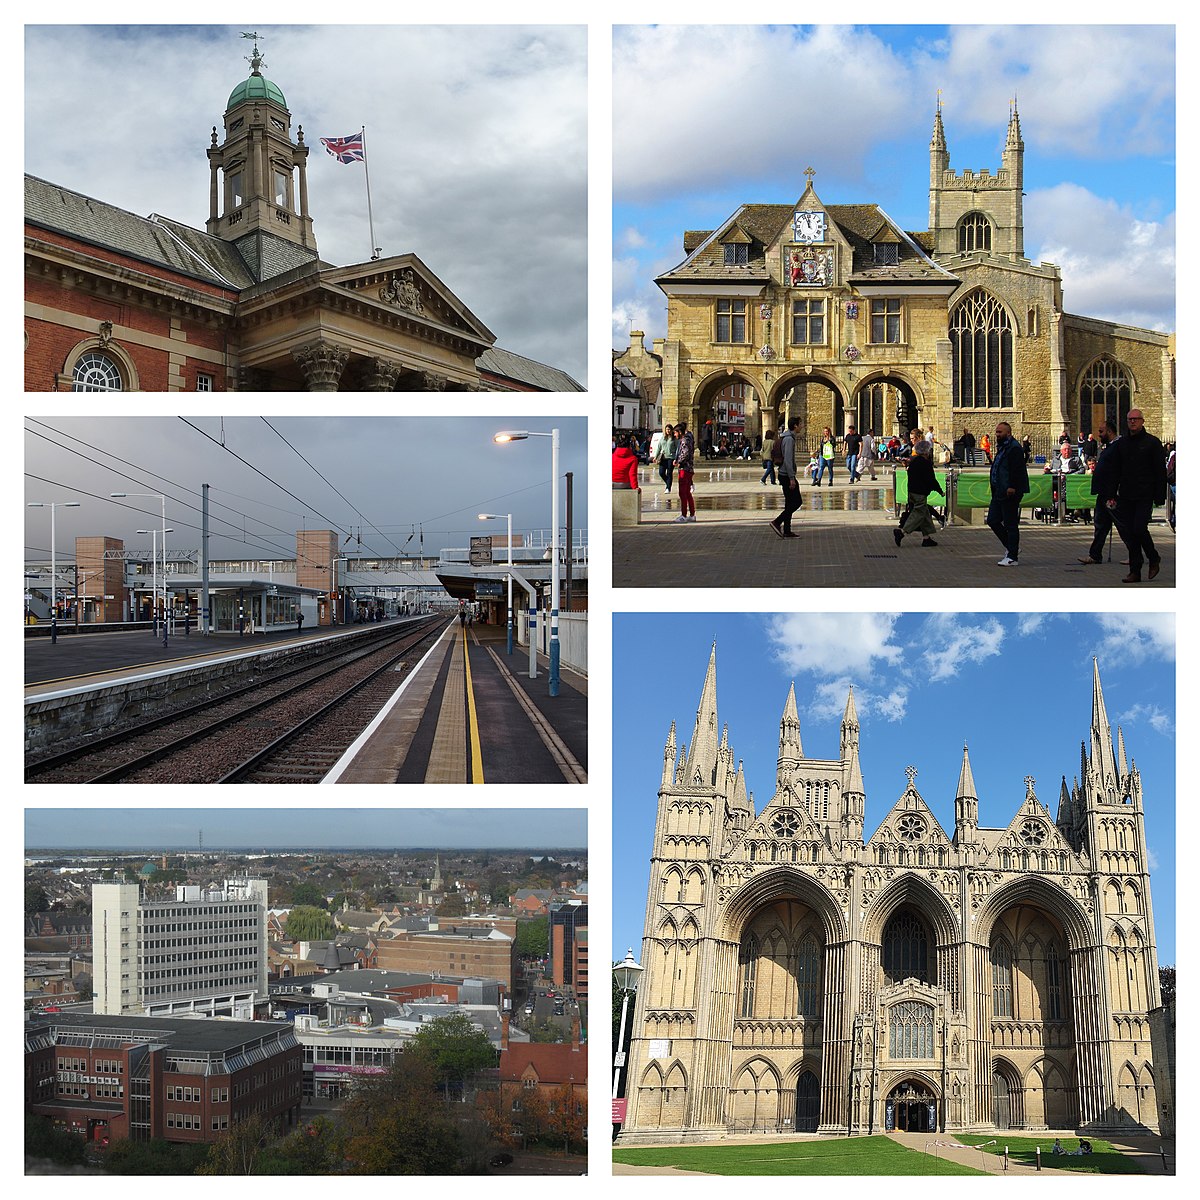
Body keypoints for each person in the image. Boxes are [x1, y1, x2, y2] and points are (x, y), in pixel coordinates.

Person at [1110, 409, 1167, 582]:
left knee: (1139, 528)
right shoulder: (1122, 444)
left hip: (1145, 493)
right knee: (1130, 532)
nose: (1132, 422)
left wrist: (1159, 495)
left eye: (1136, 419)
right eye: (1130, 419)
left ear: (1142, 421)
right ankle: (1135, 570)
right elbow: (1116, 470)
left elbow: (1160, 470)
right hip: (1127, 493)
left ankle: (1153, 557)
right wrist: (1112, 493)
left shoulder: (1152, 443)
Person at [1078, 420, 1120, 566]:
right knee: (1100, 525)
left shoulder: (1117, 447)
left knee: (1122, 524)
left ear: (1109, 432)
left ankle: (1136, 554)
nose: (1098, 434)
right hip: (1103, 493)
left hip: (1111, 494)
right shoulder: (1108, 446)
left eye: (1101, 431)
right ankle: (1095, 555)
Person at [987, 420, 1029, 565]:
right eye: (997, 432)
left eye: (1000, 432)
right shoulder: (1003, 447)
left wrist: (1012, 486)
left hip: (1009, 491)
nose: (997, 434)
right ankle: (1012, 548)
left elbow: (1017, 470)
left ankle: (1012, 557)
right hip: (999, 490)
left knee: (1010, 524)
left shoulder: (1014, 448)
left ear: (1008, 433)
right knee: (992, 520)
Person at [893, 440, 943, 548]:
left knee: (924, 514)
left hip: (911, 491)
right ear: (926, 451)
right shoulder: (926, 463)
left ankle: (926, 538)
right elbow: (931, 479)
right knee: (918, 514)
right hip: (920, 492)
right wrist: (939, 490)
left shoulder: (913, 462)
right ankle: (902, 532)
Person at [769, 417, 803, 538]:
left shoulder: (787, 437)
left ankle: (787, 530)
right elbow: (788, 460)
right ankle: (777, 522)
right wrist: (792, 478)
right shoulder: (789, 439)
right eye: (800, 424)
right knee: (797, 502)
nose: (802, 426)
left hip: (784, 474)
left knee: (789, 502)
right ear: (795, 426)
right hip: (786, 475)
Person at [673, 418, 696, 522]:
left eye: (675, 433)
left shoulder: (684, 441)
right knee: (687, 493)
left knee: (682, 492)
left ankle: (683, 515)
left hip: (684, 468)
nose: (674, 435)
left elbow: (685, 453)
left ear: (680, 432)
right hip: (689, 468)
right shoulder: (689, 439)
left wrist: (678, 461)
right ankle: (692, 514)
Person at [655, 423, 677, 493]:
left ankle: (668, 488)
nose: (668, 431)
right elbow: (659, 447)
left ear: (672, 430)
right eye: (667, 429)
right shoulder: (663, 438)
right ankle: (668, 483)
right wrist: (656, 457)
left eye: (669, 429)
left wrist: (676, 458)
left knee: (669, 473)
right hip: (663, 457)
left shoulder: (674, 439)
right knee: (661, 473)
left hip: (671, 457)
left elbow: (677, 448)